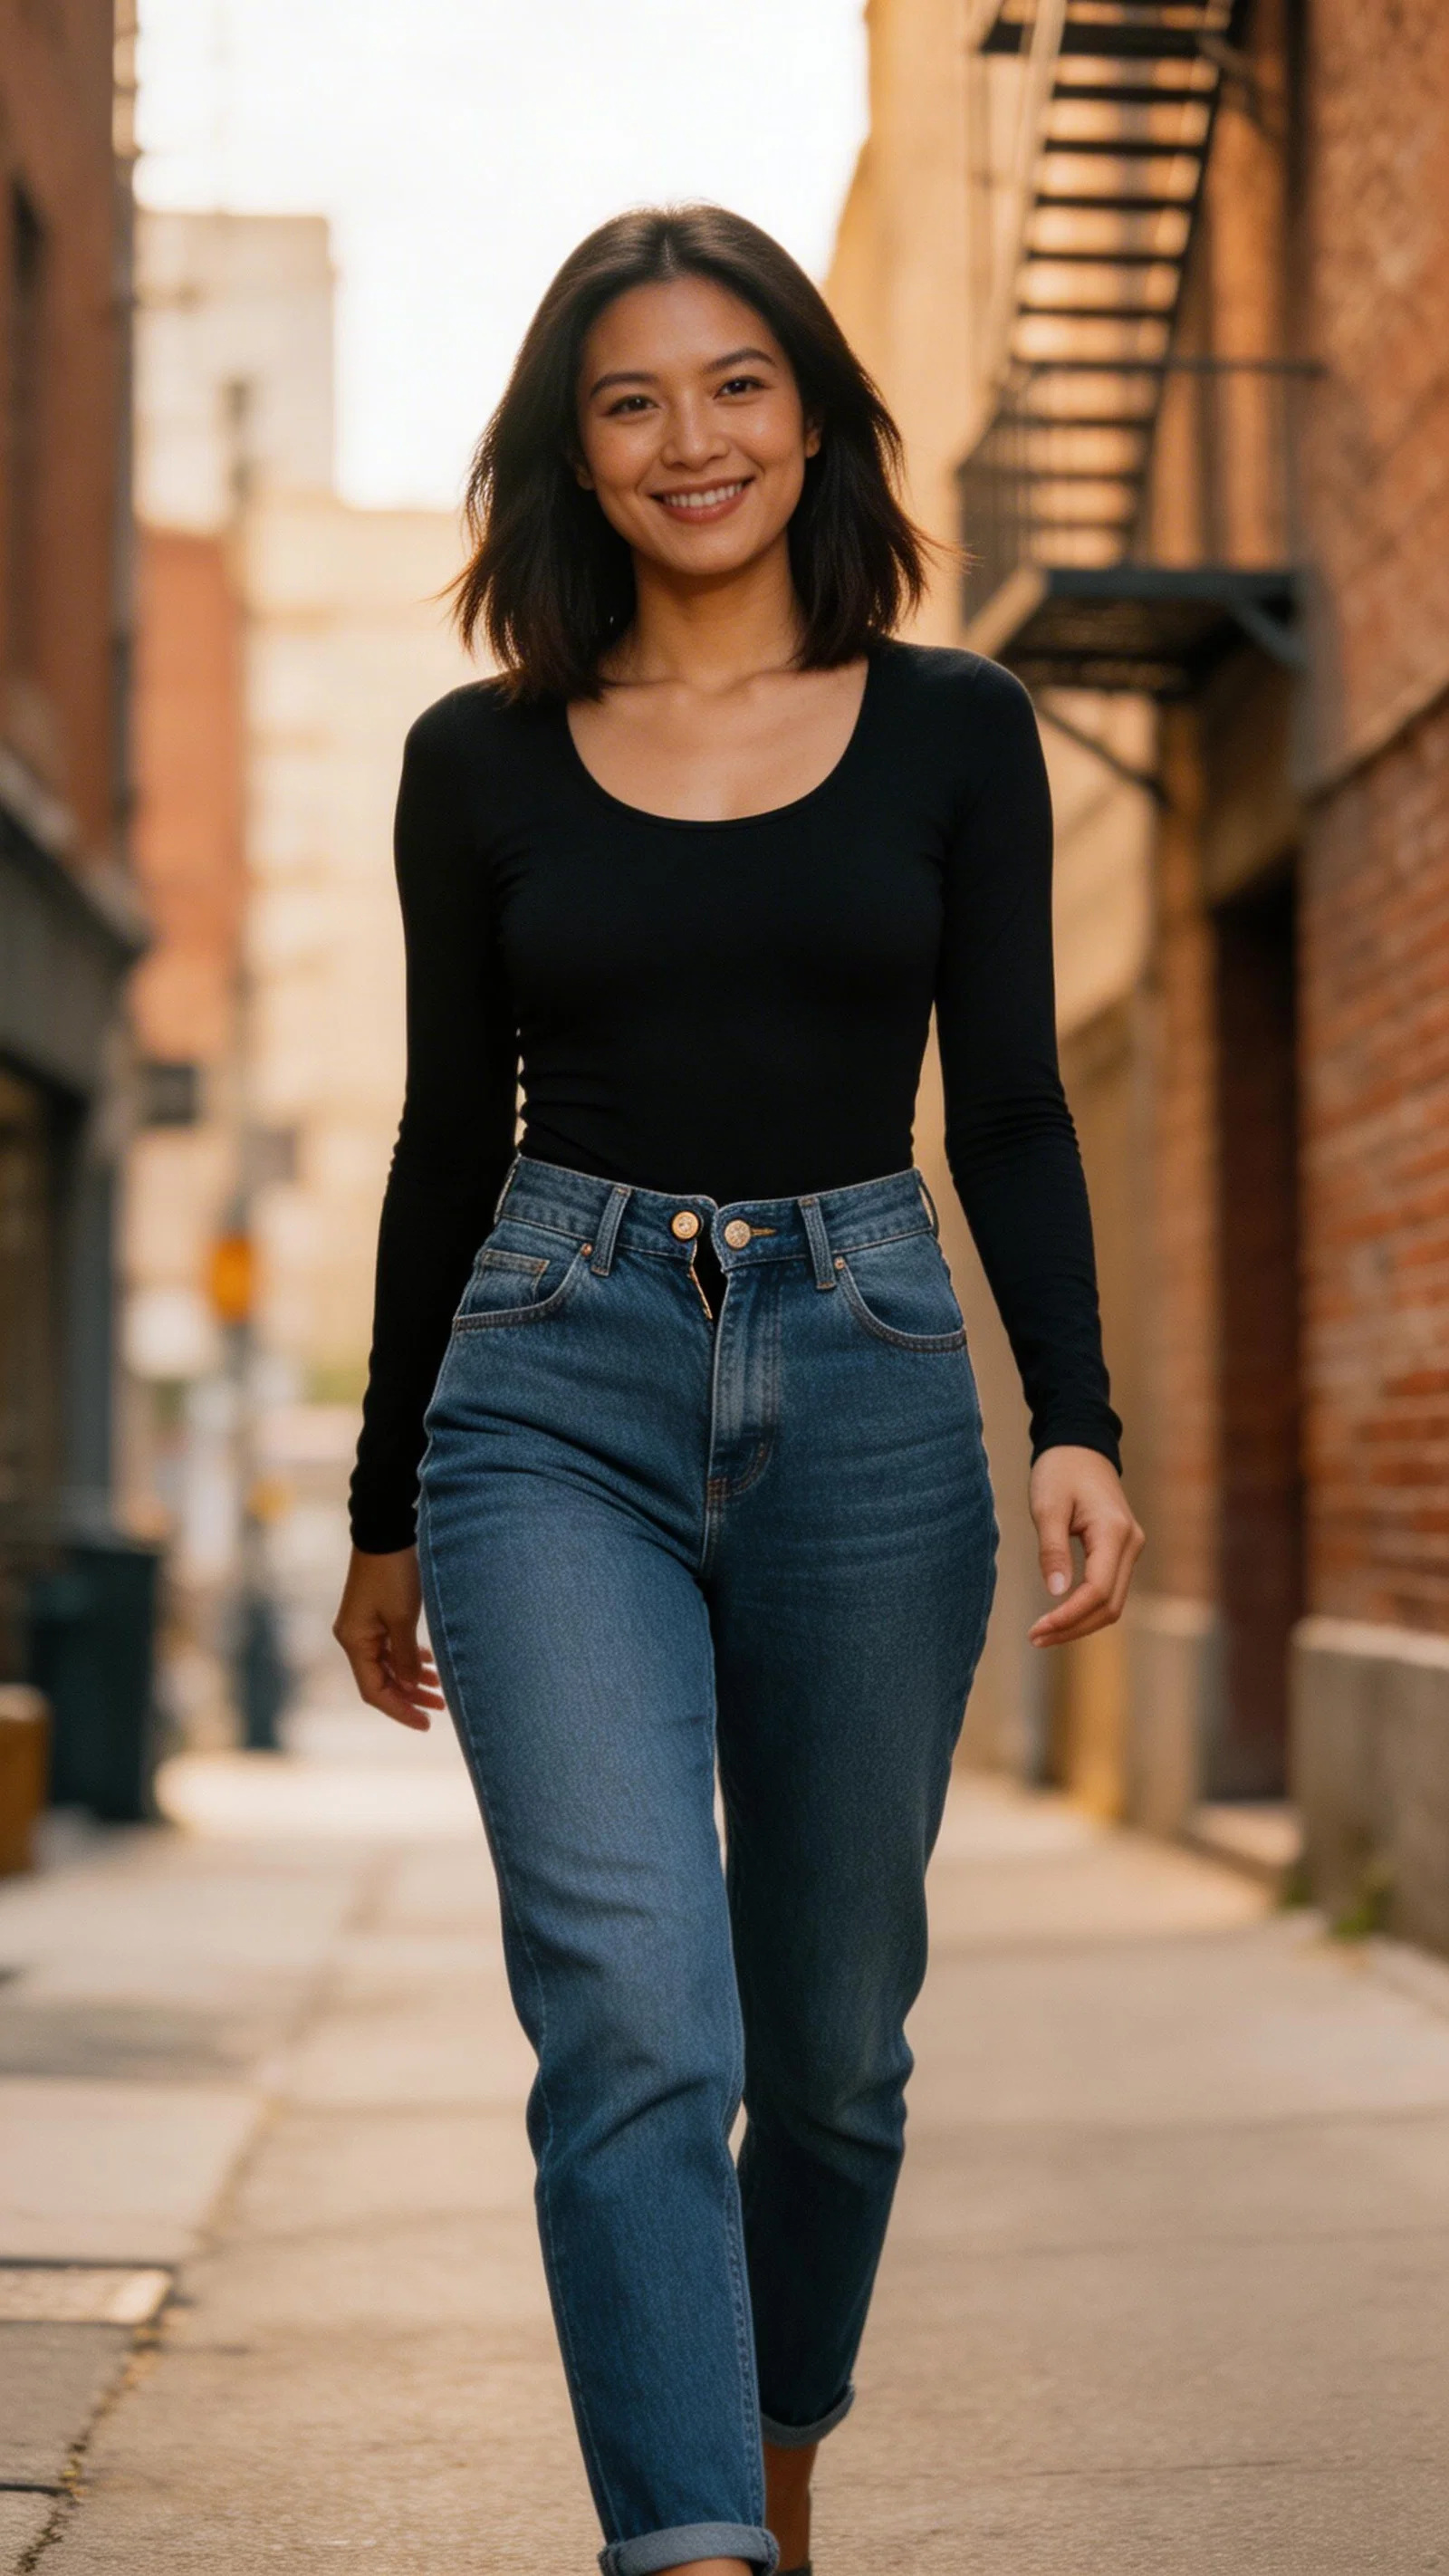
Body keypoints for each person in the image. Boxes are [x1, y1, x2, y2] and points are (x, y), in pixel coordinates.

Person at [333, 204, 1144, 2576]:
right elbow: (435, 1135)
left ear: (812, 413)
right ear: (568, 456)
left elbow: (1007, 1102)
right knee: (630, 2021)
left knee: (831, 2056)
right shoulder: (475, 763)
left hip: (875, 1376)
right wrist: (390, 1492)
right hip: (547, 1380)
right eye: (630, 399)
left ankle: (776, 2463)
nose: (692, 438)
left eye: (736, 384)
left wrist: (1073, 1410)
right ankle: (689, 2540)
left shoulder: (957, 728)